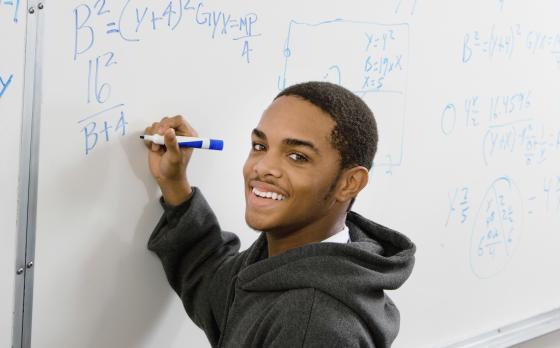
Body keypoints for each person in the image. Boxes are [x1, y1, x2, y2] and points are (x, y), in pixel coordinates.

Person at [144, 81, 416, 348]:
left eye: (297, 156)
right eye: (260, 146)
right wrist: (175, 185)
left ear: (349, 183)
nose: (262, 167)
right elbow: (213, 287)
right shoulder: (287, 265)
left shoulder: (310, 325)